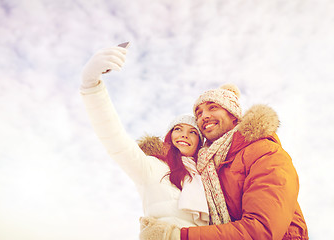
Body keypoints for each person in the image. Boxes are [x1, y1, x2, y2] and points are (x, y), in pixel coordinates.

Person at [140, 84, 309, 239]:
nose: (204, 116)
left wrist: (176, 236)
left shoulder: (264, 152)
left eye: (213, 107)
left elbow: (262, 229)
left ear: (233, 115)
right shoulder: (207, 167)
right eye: (198, 113)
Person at [80, 45, 211, 238]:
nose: (184, 135)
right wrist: (91, 86)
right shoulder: (151, 167)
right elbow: (114, 136)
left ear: (200, 143)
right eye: (178, 129)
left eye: (192, 132)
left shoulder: (208, 177)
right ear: (169, 137)